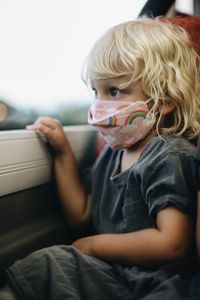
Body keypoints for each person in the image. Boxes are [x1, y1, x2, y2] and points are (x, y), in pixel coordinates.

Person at [1, 17, 200, 300]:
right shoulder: (113, 150)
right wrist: (62, 152)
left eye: (114, 91)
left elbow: (174, 243)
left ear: (163, 99)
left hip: (155, 281)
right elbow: (81, 214)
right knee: (48, 261)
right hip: (115, 274)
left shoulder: (168, 155)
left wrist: (93, 246)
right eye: (96, 91)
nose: (99, 105)